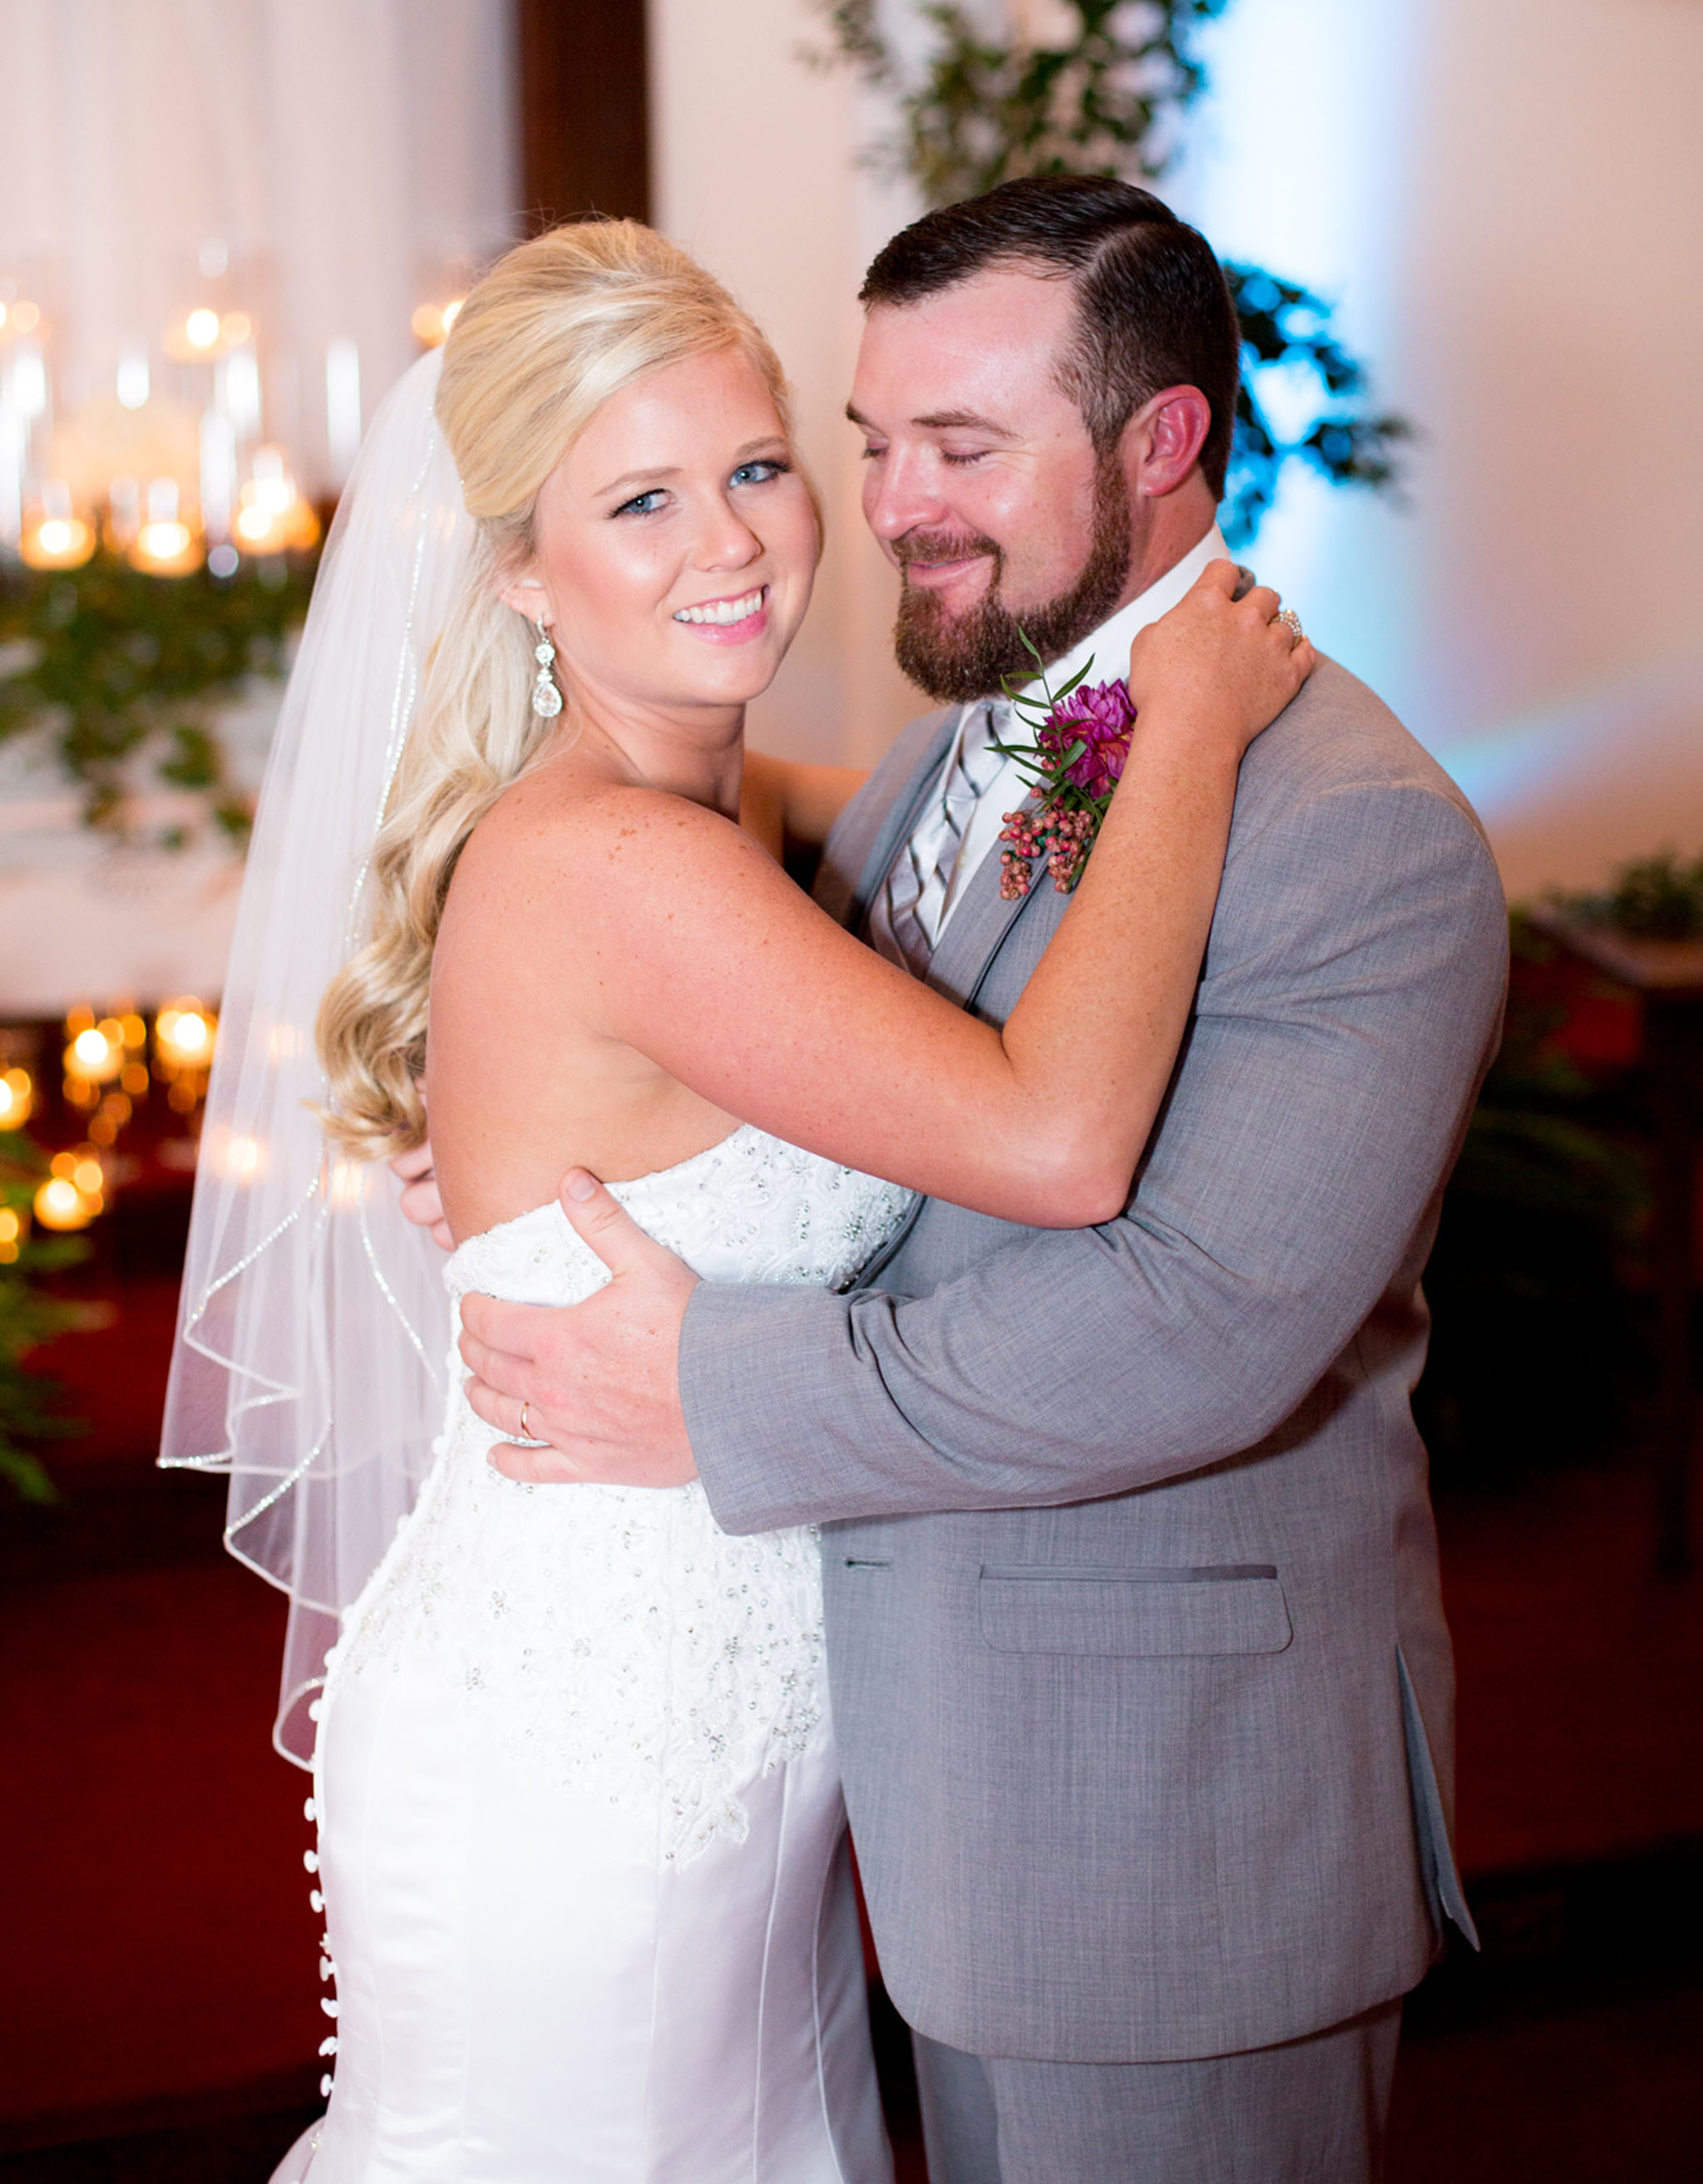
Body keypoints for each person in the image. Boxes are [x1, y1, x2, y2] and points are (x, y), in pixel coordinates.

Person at [164, 212, 1309, 2184]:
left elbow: (972, 870)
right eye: (641, 502)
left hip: (741, 1713)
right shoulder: (622, 861)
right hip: (584, 1741)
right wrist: (1189, 725)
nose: (735, 544)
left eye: (759, 467)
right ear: (520, 566)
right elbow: (1054, 1141)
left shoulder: (746, 803)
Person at [439, 179, 1511, 2184]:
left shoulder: (1353, 835)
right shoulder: (954, 753)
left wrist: (709, 1383)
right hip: (921, 1793)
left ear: (1159, 442)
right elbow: (795, 1063)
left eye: (958, 447)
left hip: (1172, 1822)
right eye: (868, 444)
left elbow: (1187, 1332)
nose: (890, 508)